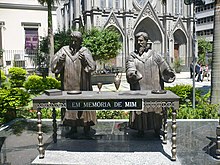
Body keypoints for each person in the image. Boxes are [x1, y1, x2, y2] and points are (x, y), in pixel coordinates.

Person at [126, 32, 175, 136]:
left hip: (154, 89)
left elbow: (164, 67)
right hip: (139, 90)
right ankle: (140, 129)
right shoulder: (132, 56)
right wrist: (132, 74)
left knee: (156, 109)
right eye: (137, 41)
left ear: (146, 41)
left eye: (141, 40)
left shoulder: (156, 55)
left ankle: (157, 128)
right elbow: (130, 68)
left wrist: (168, 73)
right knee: (140, 110)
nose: (139, 43)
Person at [51, 31, 96, 137]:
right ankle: (72, 127)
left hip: (82, 85)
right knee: (70, 106)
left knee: (84, 106)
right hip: (68, 84)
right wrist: (59, 62)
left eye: (76, 41)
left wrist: (85, 61)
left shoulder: (84, 51)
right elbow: (54, 66)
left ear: (80, 42)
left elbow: (92, 67)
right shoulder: (63, 50)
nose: (74, 42)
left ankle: (86, 126)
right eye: (72, 40)